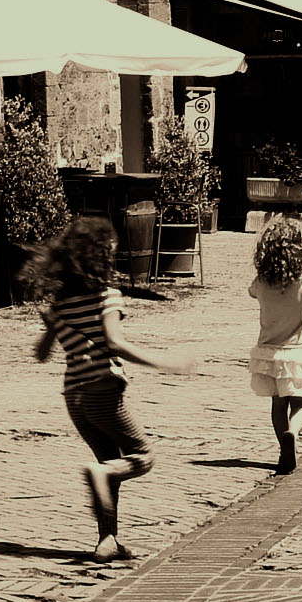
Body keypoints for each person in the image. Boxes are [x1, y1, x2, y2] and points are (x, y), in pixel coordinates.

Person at [32, 216, 195, 561]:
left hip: (74, 396)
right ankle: (100, 476)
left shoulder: (61, 304)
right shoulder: (109, 297)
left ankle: (107, 540)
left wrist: (51, 325)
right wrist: (165, 362)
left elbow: (42, 354)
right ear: (100, 256)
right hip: (103, 389)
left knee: (109, 463)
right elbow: (114, 343)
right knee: (142, 457)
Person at [247, 218, 302, 474]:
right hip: (299, 352)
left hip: (269, 352)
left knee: (278, 405)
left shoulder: (261, 283)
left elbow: (253, 293)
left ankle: (283, 448)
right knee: (300, 403)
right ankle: (294, 432)